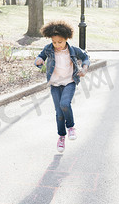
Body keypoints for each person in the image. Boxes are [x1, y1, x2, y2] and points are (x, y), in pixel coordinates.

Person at [35, 21, 90, 153]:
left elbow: (85, 57)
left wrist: (84, 69)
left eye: (60, 42)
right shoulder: (48, 49)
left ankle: (71, 127)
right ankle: (61, 137)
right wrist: (38, 61)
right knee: (59, 113)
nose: (57, 45)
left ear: (66, 39)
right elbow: (40, 56)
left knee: (65, 104)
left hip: (69, 82)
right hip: (55, 84)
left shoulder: (73, 50)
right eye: (54, 42)